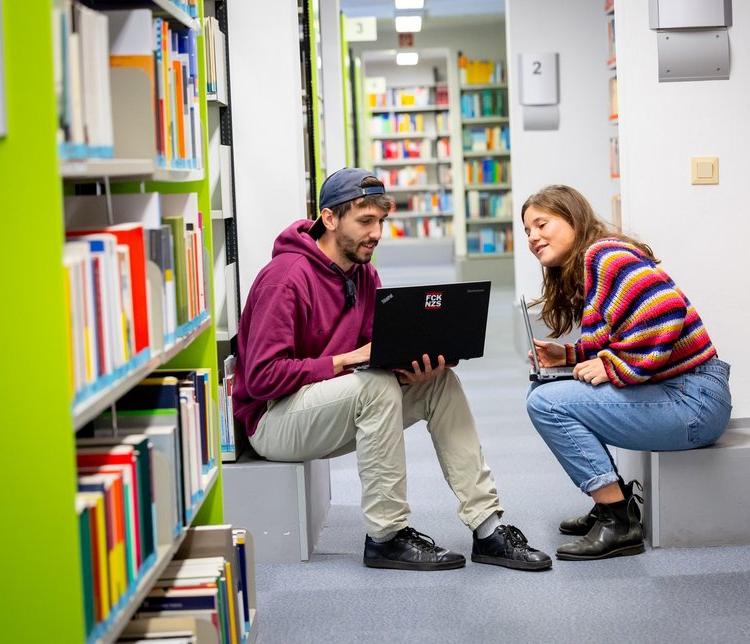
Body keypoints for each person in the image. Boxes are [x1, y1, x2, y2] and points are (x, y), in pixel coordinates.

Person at [232, 167, 551, 572]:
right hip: (273, 422)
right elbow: (262, 378)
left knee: (440, 383)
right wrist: (343, 360)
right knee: (377, 388)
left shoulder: (362, 274)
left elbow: (373, 354)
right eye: (365, 221)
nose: (377, 232)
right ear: (329, 219)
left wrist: (409, 367)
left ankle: (488, 529)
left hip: (330, 405)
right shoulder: (285, 279)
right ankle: (386, 536)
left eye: (381, 221)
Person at [521, 184, 732, 561]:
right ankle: (613, 505)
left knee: (547, 403)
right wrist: (567, 355)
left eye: (541, 224)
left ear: (572, 219)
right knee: (542, 391)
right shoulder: (595, 261)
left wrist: (615, 367)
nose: (534, 237)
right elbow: (622, 333)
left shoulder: (605, 254)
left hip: (693, 401)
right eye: (527, 232)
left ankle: (618, 521)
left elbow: (665, 310)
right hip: (681, 392)